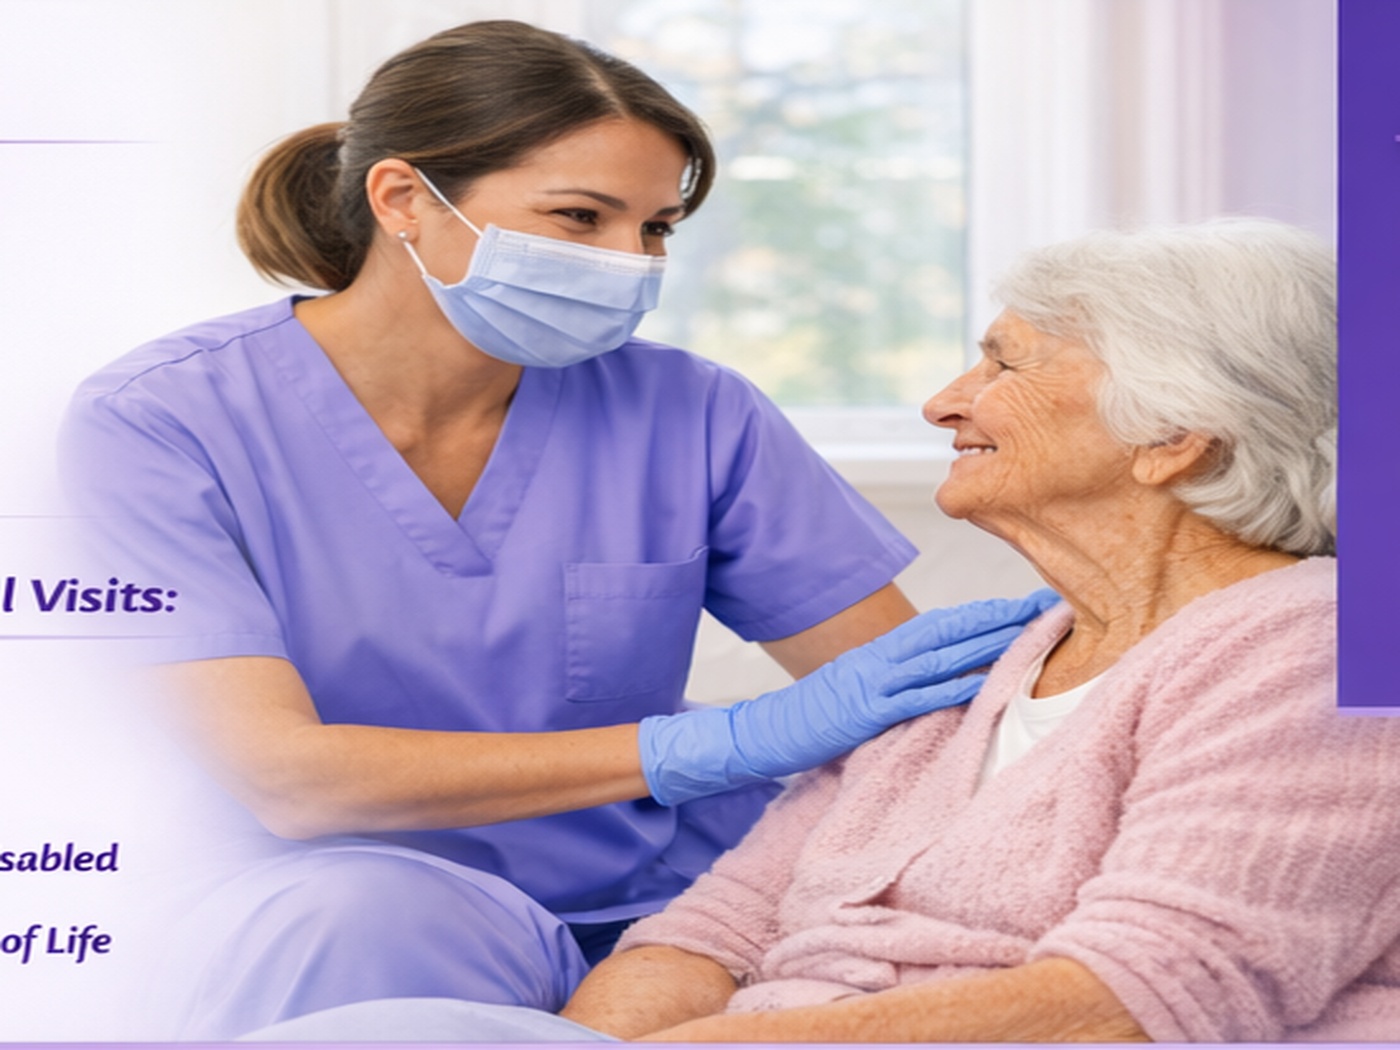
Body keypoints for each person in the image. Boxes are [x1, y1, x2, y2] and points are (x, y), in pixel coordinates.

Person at [59, 18, 1049, 1042]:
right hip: (344, 895)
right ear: (402, 200)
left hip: (664, 890)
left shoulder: (690, 410)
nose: (629, 262)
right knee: (366, 930)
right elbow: (287, 778)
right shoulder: (162, 420)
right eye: (580, 217)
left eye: (656, 228)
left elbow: (905, 702)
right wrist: (713, 741)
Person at [264, 218, 1394, 1042]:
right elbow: (704, 934)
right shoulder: (986, 664)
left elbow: (1134, 997)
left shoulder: (1308, 647)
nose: (944, 400)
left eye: (1003, 362)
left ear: (1172, 435)